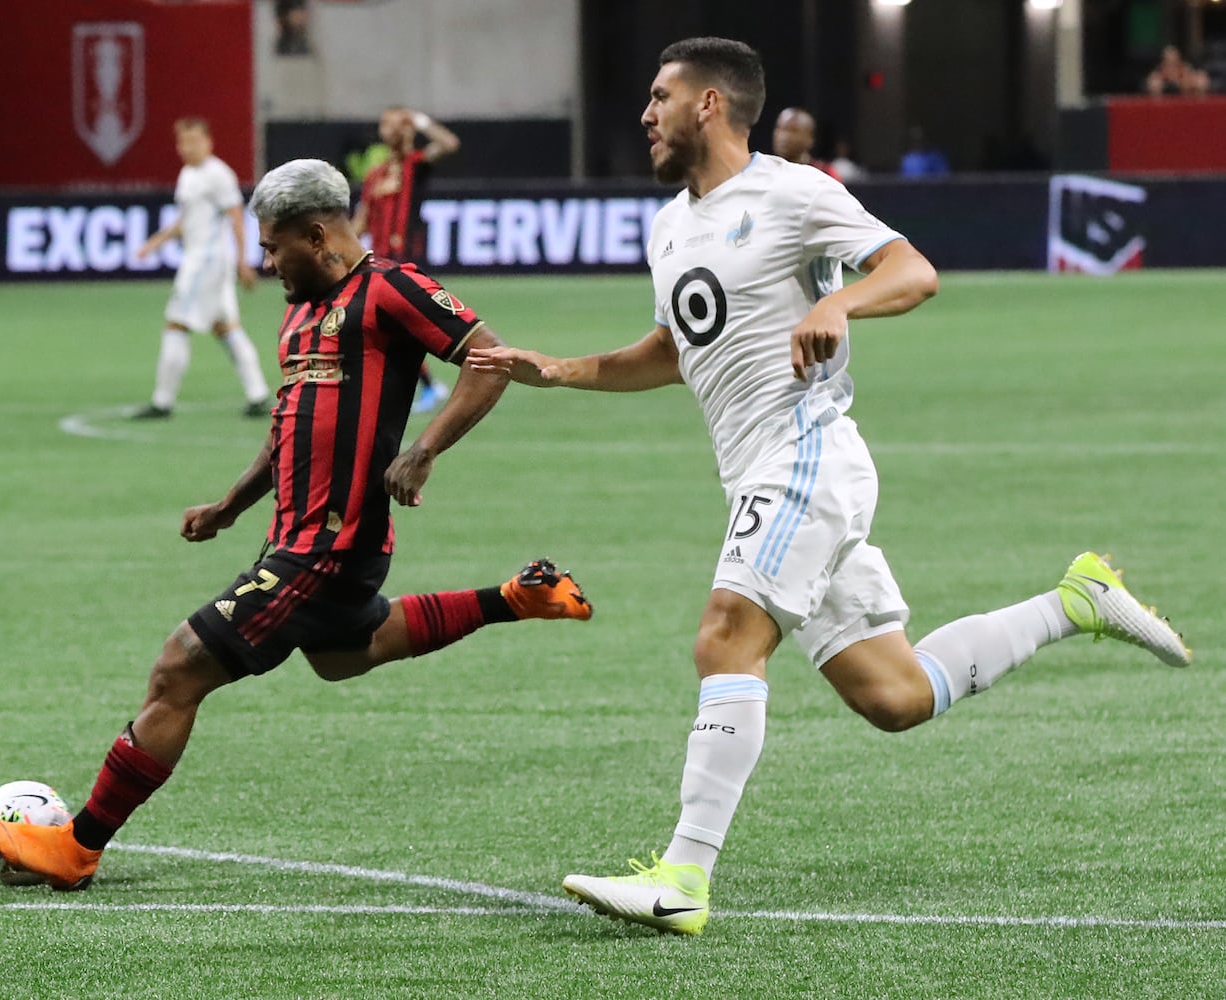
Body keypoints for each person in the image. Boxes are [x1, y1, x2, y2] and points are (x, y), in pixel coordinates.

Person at [470, 36, 1191, 936]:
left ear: (708, 105)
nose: (644, 115)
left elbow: (911, 271)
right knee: (893, 697)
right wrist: (561, 369)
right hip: (759, 476)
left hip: (804, 455)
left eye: (659, 96)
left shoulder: (791, 191)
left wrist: (836, 302)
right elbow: (673, 350)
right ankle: (1073, 602)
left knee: (724, 636)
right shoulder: (670, 226)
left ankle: (682, 878)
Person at [0, 158, 594, 891]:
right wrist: (231, 504)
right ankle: (514, 598)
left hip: (329, 544)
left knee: (179, 668)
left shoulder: (391, 291)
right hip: (296, 539)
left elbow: (488, 362)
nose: (264, 261)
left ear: (317, 234)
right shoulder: (300, 312)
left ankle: (77, 846)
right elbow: (290, 427)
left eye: (273, 247)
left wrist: (424, 451)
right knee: (346, 651)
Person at [132, 118, 273, 420]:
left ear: (208, 142)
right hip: (205, 261)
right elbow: (186, 221)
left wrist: (243, 260)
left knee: (175, 324)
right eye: (183, 141)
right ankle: (258, 393)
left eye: (194, 140)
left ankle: (162, 401)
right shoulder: (188, 174)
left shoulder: (218, 174)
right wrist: (155, 243)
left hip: (205, 261)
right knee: (225, 327)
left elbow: (237, 216)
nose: (188, 147)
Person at [353, 106, 462, 414]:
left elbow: (449, 144)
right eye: (385, 123)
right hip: (378, 262)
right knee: (392, 326)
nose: (390, 129)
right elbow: (362, 218)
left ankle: (444, 375)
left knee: (403, 325)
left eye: (395, 123)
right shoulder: (375, 175)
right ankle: (428, 384)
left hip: (408, 261)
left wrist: (422, 121)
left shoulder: (417, 164)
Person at [771, 106, 840, 181]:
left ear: (810, 139)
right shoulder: (765, 169)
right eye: (780, 128)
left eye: (793, 130)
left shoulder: (825, 173)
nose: (784, 136)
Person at [1145, 45, 1210, 96]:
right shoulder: (1158, 72)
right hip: (1164, 105)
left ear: (1179, 60)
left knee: (1201, 81)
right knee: (1155, 84)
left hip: (1186, 102)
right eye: (1168, 62)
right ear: (1163, 62)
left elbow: (1198, 82)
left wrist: (1189, 82)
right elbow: (1152, 83)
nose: (1171, 66)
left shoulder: (1185, 69)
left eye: (1174, 62)